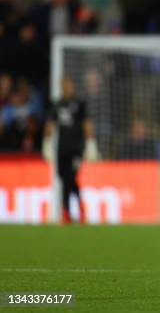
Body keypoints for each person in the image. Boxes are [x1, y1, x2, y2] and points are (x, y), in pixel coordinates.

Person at [43, 78, 99, 224]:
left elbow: (87, 123)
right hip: (62, 149)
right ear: (61, 87)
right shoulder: (57, 104)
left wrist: (91, 143)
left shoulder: (79, 104)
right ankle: (74, 210)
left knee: (70, 177)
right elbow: (50, 124)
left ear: (72, 86)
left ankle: (69, 211)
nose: (66, 88)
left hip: (76, 148)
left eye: (68, 85)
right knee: (64, 178)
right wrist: (47, 143)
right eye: (63, 86)